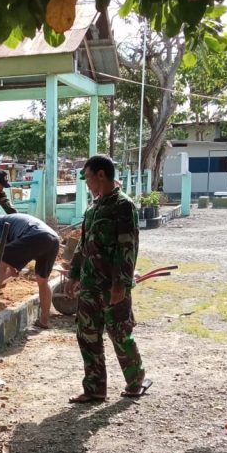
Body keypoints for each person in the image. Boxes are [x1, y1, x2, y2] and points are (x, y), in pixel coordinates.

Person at [64, 154, 147, 403]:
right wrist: (73, 274)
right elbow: (83, 244)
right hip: (90, 284)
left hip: (112, 285)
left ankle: (135, 381)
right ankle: (94, 388)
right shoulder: (94, 208)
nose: (87, 184)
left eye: (88, 178)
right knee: (87, 334)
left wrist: (121, 283)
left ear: (101, 175)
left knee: (120, 333)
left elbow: (128, 247)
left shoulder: (123, 206)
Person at [0, 213, 60, 329]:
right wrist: (12, 270)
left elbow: (3, 253)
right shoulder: (13, 222)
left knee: (0, 262)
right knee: (43, 281)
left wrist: (9, 270)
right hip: (53, 239)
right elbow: (16, 255)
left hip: (37, 236)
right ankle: (44, 320)